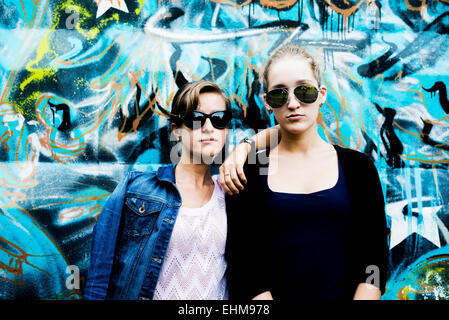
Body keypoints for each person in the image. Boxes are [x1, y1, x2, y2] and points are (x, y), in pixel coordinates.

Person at [221, 45, 390, 300]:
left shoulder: (359, 168)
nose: (292, 103)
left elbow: (375, 259)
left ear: (321, 94)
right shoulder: (249, 171)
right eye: (279, 94)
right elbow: (244, 267)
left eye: (304, 91)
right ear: (267, 102)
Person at [83, 80, 276, 300]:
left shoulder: (232, 194)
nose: (208, 127)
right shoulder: (136, 189)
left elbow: (292, 129)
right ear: (176, 131)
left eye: (219, 119)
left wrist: (246, 146)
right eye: (195, 119)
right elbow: (98, 278)